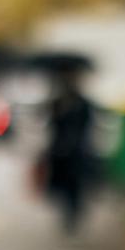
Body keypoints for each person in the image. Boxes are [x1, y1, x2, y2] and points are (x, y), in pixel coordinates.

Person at [40, 64, 99, 235]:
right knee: (62, 185)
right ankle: (67, 214)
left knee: (76, 185)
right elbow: (49, 123)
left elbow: (88, 123)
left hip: (78, 152)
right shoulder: (56, 102)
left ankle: (74, 214)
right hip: (59, 151)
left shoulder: (83, 103)